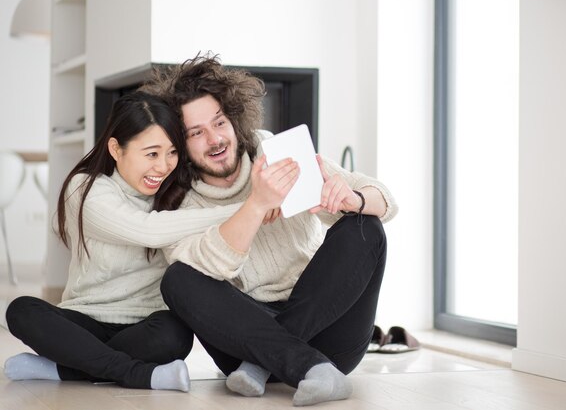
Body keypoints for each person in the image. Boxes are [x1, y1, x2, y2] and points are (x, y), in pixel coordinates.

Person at [145, 53, 398, 406]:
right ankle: (304, 367)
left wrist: (351, 197)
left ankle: (274, 364)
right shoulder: (178, 202)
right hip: (244, 342)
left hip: (323, 337)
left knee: (365, 227)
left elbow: (386, 200)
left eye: (219, 123)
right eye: (196, 133)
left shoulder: (272, 149)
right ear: (180, 145)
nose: (215, 139)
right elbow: (210, 272)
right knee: (178, 279)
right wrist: (257, 204)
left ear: (234, 119)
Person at [4, 91, 241, 391]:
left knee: (176, 334)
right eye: (152, 154)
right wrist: (245, 210)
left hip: (145, 326)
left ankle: (66, 369)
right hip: (83, 322)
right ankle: (136, 374)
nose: (164, 166)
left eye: (172, 152)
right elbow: (147, 230)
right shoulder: (85, 189)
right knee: (21, 310)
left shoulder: (180, 195)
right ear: (116, 149)